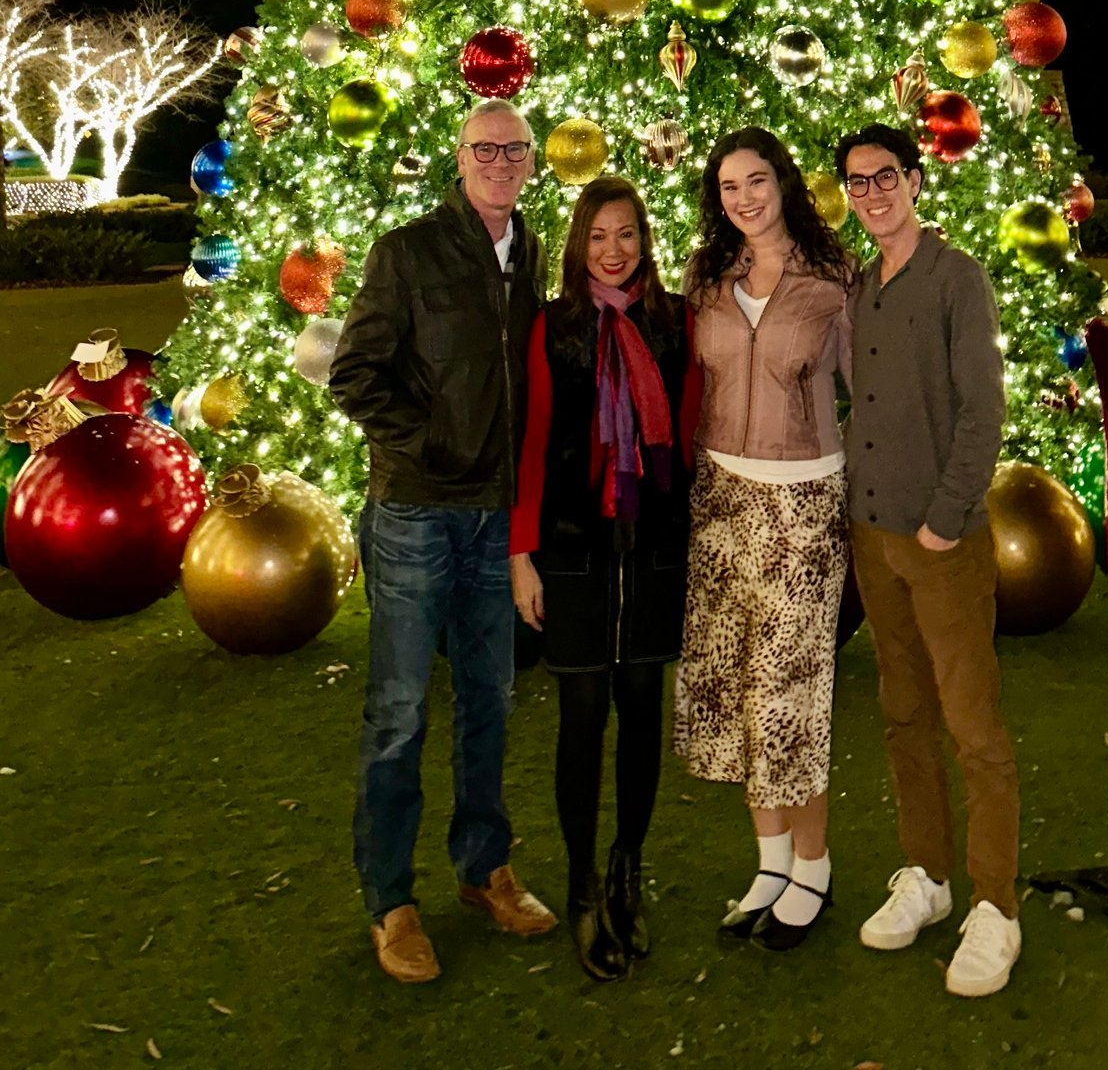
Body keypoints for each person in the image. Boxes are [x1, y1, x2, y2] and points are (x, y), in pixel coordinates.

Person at [329, 100, 558, 985]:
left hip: (495, 520)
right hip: (417, 513)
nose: (501, 161)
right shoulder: (408, 251)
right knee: (399, 712)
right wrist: (432, 444)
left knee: (490, 700)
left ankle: (483, 866)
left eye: (515, 149)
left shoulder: (528, 251)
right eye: (485, 148)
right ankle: (390, 898)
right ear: (459, 159)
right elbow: (355, 374)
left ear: (531, 161)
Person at [836, 122, 1020, 999]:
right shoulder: (862, 287)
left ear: (914, 180)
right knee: (904, 714)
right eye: (857, 182)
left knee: (972, 727)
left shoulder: (957, 279)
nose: (872, 194)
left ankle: (997, 906)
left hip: (940, 544)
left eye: (885, 178)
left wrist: (947, 519)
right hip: (873, 538)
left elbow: (983, 411)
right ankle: (930, 877)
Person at [509, 176, 701, 979]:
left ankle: (629, 867)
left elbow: (688, 438)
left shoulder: (675, 321)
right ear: (578, 243)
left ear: (644, 239)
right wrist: (521, 554)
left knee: (643, 707)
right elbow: (532, 441)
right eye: (599, 236)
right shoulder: (555, 327)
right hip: (575, 549)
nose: (614, 250)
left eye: (627, 234)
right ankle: (584, 882)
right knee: (584, 713)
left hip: (654, 546)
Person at [674, 127, 852, 953]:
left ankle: (813, 868)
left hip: (802, 504)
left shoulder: (833, 280)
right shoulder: (709, 278)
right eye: (727, 186)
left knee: (791, 695)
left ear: (782, 182)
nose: (742, 197)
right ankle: (770, 862)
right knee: (740, 688)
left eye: (755, 180)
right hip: (720, 501)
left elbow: (872, 388)